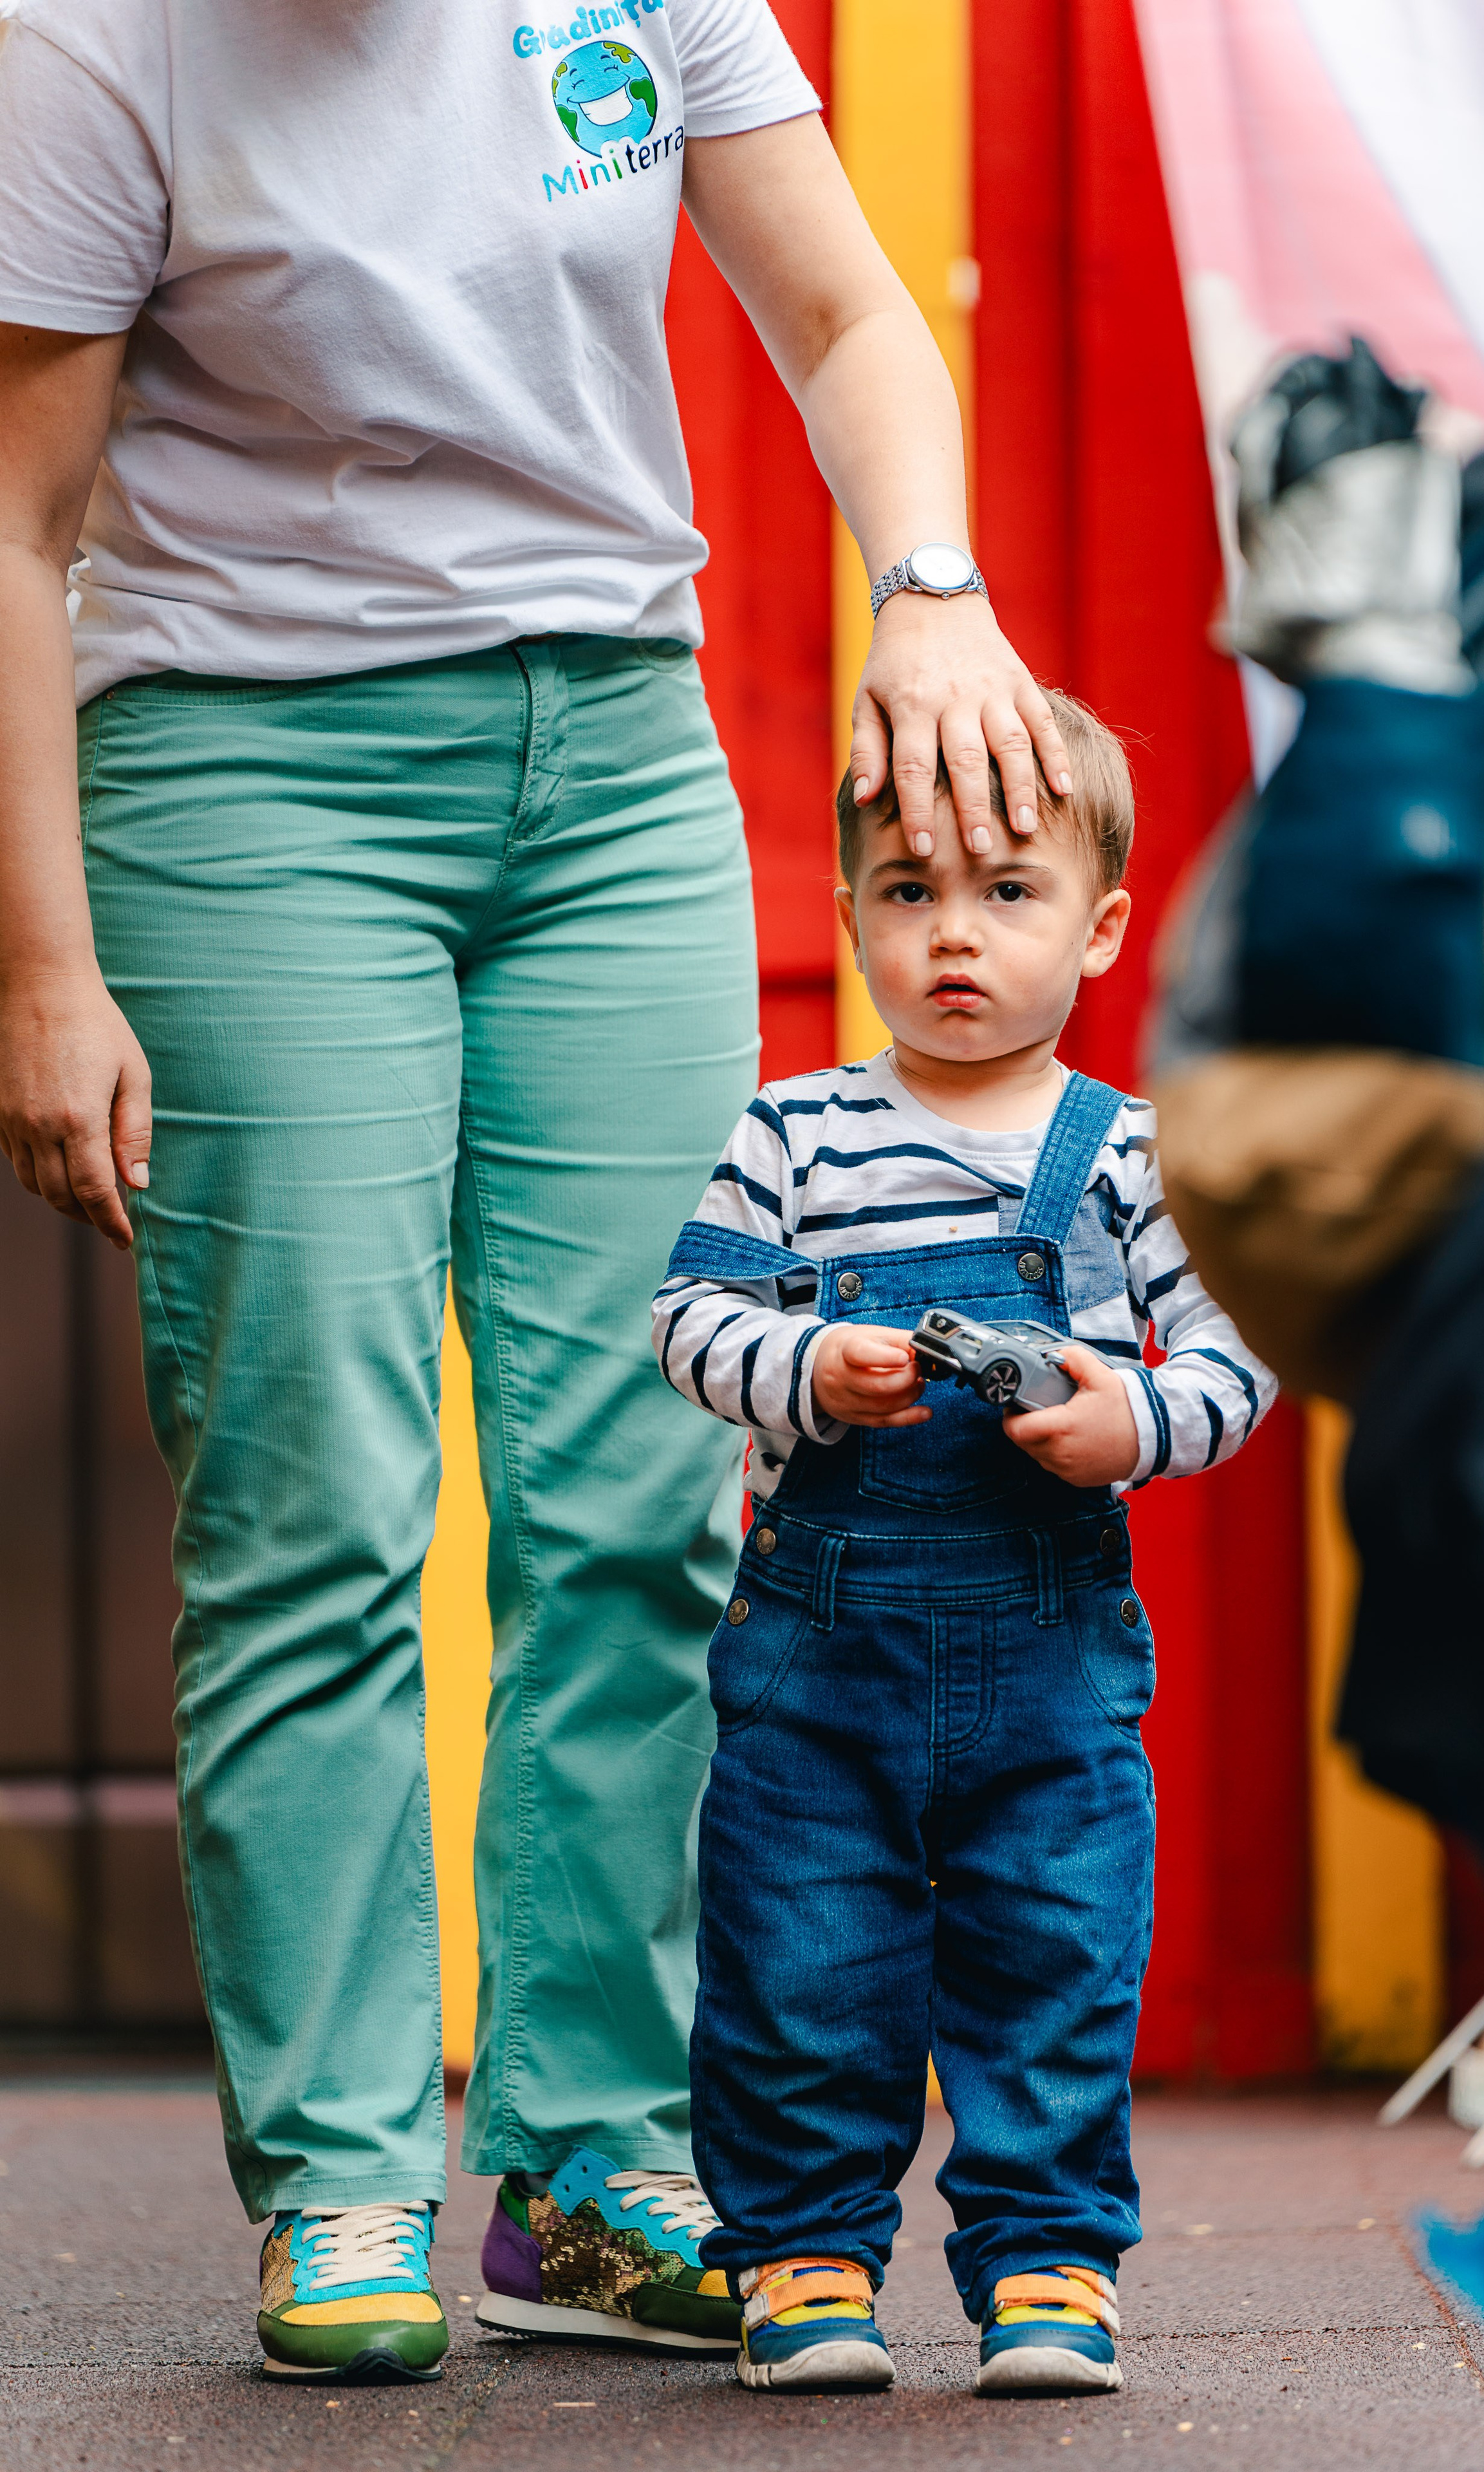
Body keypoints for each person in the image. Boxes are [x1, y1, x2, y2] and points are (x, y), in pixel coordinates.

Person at [0, 0, 1073, 2387]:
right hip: (252, 769)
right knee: (312, 1502)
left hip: (615, 765)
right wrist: (40, 963)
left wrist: (930, 585)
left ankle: (592, 2161)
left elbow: (844, 310)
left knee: (647, 1490)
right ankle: (344, 2173)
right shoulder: (94, 39)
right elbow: (16, 519)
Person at [648, 695, 1276, 2396]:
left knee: (1056, 1948)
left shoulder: (1130, 1153)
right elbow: (689, 1319)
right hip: (823, 1634)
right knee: (799, 1948)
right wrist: (809, 1367)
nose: (954, 935)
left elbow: (1237, 1358)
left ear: (1102, 926)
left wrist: (1128, 1420)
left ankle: (1050, 2262)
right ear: (851, 911)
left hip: (1048, 1640)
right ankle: (803, 2258)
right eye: (909, 890)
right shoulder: (795, 1131)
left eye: (1008, 893)